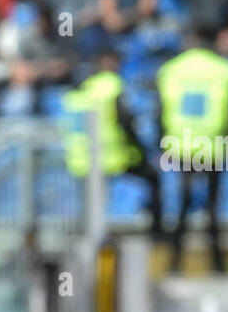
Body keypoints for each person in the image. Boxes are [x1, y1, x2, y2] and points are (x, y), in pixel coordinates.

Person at [155, 37, 228, 273]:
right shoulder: (222, 70)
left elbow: (161, 110)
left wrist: (162, 145)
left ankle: (175, 263)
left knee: (183, 204)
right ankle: (218, 265)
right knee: (212, 208)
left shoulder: (173, 69)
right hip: (212, 146)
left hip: (183, 146)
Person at [61, 49, 164, 238]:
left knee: (92, 206)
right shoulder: (112, 86)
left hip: (82, 158)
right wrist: (140, 148)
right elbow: (125, 121)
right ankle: (157, 234)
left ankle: (89, 239)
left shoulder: (84, 88)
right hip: (111, 154)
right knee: (152, 177)